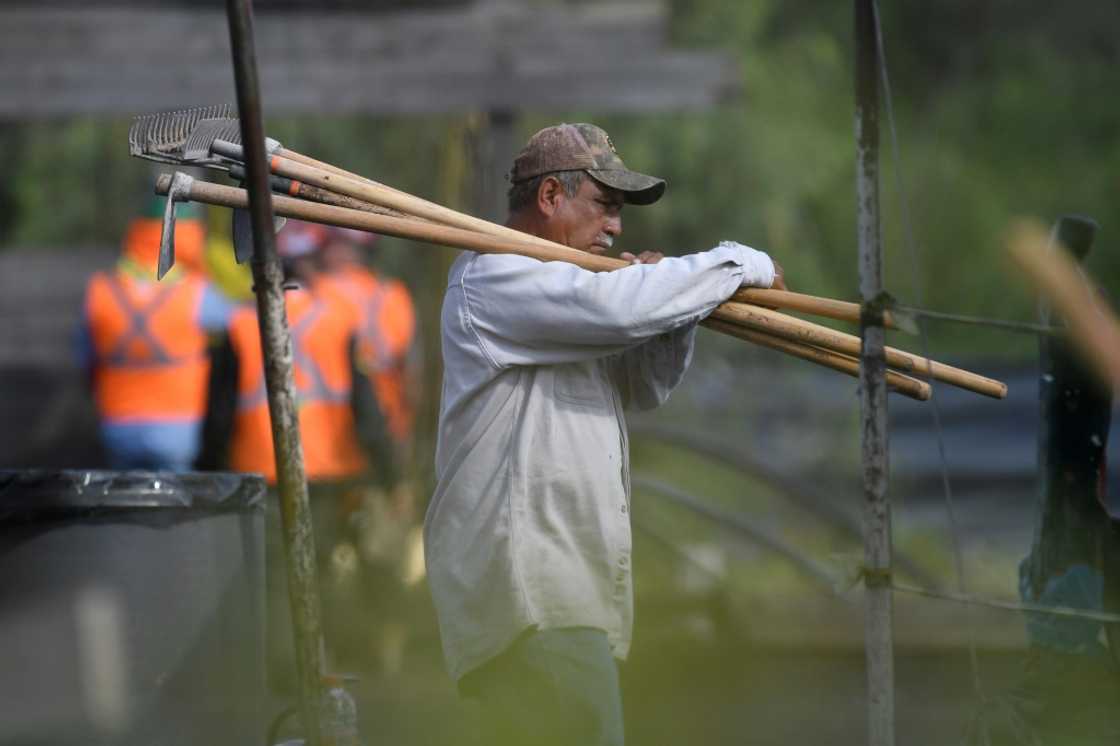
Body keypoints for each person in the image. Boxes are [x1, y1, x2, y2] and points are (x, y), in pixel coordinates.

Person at [423, 123, 785, 745]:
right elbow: (619, 309)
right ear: (549, 199)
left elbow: (642, 385)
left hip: (564, 599)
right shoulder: (493, 274)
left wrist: (672, 315)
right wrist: (740, 263)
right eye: (604, 206)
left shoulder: (566, 292)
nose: (615, 227)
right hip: (529, 599)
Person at [196, 219, 398, 684]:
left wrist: (205, 472)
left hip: (258, 471)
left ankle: (281, 668)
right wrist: (389, 473)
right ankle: (319, 665)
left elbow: (218, 413)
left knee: (271, 575)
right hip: (327, 471)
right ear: (309, 264)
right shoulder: (338, 322)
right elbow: (366, 409)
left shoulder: (241, 325)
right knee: (321, 565)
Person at [79, 199, 232, 471]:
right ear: (189, 235)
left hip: (118, 420)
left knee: (126, 501)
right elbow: (236, 323)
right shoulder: (196, 290)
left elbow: (85, 359)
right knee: (174, 507)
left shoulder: (101, 289)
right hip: (177, 423)